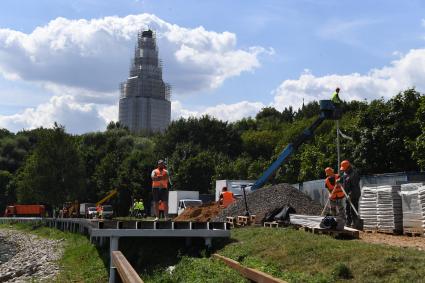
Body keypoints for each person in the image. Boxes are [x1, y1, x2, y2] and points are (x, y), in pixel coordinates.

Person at [340, 160, 361, 229]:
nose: (343, 171)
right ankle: (348, 222)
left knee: (353, 209)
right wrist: (339, 180)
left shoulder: (354, 174)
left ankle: (355, 223)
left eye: (344, 169)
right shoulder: (346, 173)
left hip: (354, 194)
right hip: (347, 195)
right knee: (347, 209)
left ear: (348, 167)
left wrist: (350, 194)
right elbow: (343, 178)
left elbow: (354, 186)